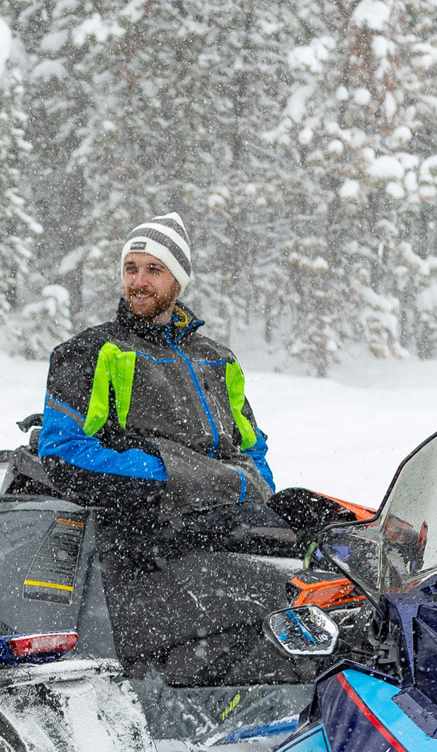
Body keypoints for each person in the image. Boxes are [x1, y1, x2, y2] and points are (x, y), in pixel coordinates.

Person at [37, 213, 275, 527]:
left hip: (228, 519)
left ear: (178, 279)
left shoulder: (217, 359)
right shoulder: (92, 351)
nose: (138, 282)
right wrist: (176, 478)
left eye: (154, 269)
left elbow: (253, 451)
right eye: (130, 269)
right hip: (144, 532)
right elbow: (63, 451)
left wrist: (248, 488)